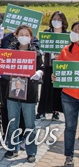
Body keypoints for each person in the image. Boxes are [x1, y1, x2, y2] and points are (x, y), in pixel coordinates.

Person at [0, 25, 43, 163]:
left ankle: (31, 151)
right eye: (21, 34)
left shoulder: (36, 53)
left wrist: (39, 73)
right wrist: (0, 72)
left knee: (30, 124)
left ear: (31, 37)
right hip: (12, 92)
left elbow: (41, 69)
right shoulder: (9, 52)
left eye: (26, 34)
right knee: (13, 122)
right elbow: (3, 67)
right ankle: (12, 148)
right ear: (16, 36)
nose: (23, 37)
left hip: (29, 93)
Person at [37, 11, 68, 120]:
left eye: (59, 20)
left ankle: (56, 111)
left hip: (61, 65)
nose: (56, 22)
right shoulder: (47, 33)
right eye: (54, 19)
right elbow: (41, 46)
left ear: (63, 22)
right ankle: (41, 111)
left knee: (57, 88)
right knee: (45, 88)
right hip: (48, 64)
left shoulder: (66, 35)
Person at [57, 21, 79, 167]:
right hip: (69, 95)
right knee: (70, 126)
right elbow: (58, 70)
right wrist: (55, 76)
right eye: (75, 30)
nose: (76, 33)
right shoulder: (66, 50)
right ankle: (69, 157)